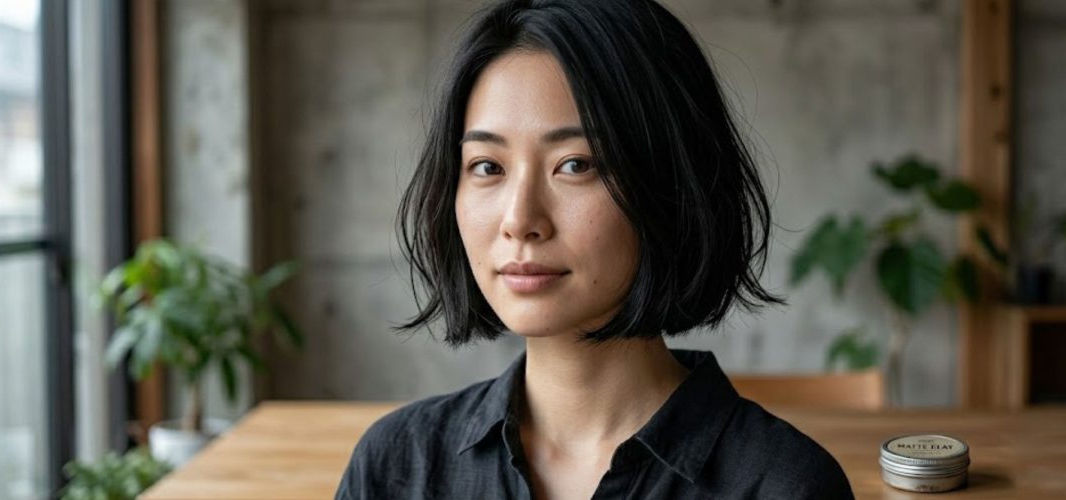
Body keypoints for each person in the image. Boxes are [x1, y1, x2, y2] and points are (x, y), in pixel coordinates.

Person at [336, 0, 854, 498]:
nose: (519, 221)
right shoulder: (397, 465)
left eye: (575, 165)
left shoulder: (783, 485)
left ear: (674, 185)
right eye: (487, 167)